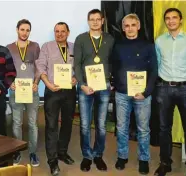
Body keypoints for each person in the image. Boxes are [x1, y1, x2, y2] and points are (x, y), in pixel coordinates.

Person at [154, 8, 186, 176]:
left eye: (174, 18)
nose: (171, 21)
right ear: (165, 21)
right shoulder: (159, 41)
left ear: (181, 20)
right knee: (164, 128)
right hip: (164, 88)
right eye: (167, 18)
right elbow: (158, 64)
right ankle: (165, 162)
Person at [112, 13, 157, 175]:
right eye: (126, 26)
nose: (129, 28)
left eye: (132, 25)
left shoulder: (148, 46)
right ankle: (122, 156)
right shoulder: (118, 46)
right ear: (123, 28)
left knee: (143, 129)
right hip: (122, 94)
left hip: (143, 95)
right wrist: (116, 85)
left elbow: (154, 71)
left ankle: (144, 159)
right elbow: (114, 67)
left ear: (138, 26)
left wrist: (147, 92)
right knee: (122, 128)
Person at [73, 9, 115, 172]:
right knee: (84, 124)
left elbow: (112, 62)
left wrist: (110, 81)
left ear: (103, 21)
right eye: (92, 19)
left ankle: (98, 155)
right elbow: (77, 64)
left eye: (98, 19)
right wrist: (82, 84)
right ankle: (86, 156)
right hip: (85, 88)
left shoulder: (110, 39)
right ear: (88, 21)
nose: (95, 22)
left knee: (101, 125)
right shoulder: (81, 39)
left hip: (103, 87)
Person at [36, 22, 76, 176]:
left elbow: (78, 67)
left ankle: (62, 152)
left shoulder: (74, 47)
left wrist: (75, 79)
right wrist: (48, 84)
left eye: (62, 31)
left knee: (67, 123)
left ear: (68, 32)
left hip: (69, 92)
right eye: (56, 31)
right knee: (51, 126)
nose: (59, 34)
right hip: (52, 91)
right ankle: (52, 161)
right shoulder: (46, 46)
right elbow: (41, 67)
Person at [6, 19, 41, 166]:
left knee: (33, 124)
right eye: (22, 29)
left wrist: (36, 83)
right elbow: (6, 69)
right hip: (16, 91)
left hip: (31, 91)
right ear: (17, 30)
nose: (25, 32)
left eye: (27, 30)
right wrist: (10, 83)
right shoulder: (9, 48)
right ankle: (17, 152)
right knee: (16, 123)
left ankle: (33, 152)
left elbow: (39, 67)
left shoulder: (35, 46)